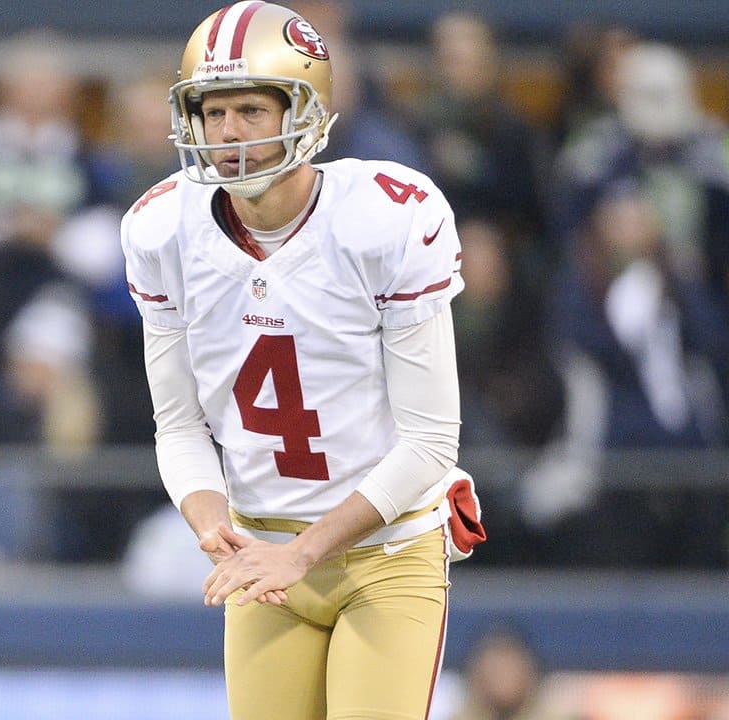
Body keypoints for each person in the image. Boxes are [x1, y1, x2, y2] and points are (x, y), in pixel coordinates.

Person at [120, 3, 480, 718]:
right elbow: (180, 426)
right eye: (212, 110)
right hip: (263, 551)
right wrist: (206, 517)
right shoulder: (162, 228)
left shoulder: (386, 218)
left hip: (386, 550)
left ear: (307, 108)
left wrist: (304, 551)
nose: (228, 133)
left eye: (252, 108)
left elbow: (432, 441)